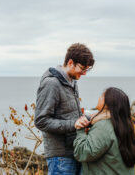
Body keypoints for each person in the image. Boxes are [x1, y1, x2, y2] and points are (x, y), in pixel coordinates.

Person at [34, 43, 95, 175]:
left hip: (74, 152)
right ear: (71, 62)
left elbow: (68, 115)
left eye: (87, 70)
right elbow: (41, 121)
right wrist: (73, 124)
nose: (84, 73)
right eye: (82, 68)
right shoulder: (52, 83)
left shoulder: (72, 82)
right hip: (60, 158)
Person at [73, 87, 135, 175]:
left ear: (107, 102)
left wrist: (80, 129)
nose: (99, 97)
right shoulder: (125, 125)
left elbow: (83, 153)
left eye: (102, 95)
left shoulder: (104, 126)